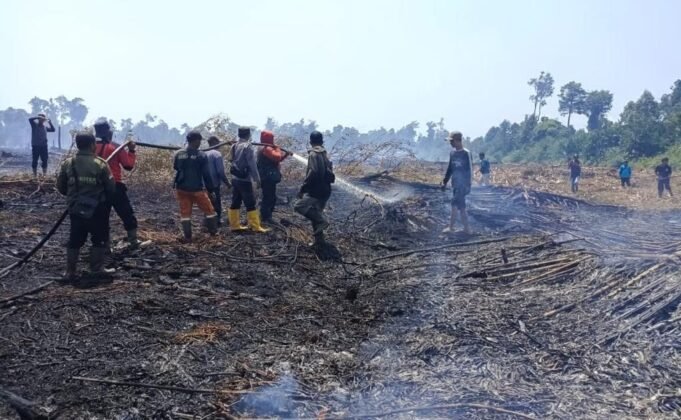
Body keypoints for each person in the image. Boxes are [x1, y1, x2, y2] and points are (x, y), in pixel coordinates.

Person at [56, 131, 116, 284]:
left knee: (75, 239)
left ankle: (70, 271)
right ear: (92, 145)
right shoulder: (100, 164)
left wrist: (75, 197)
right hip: (97, 210)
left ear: (77, 145)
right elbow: (111, 188)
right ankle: (96, 269)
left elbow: (61, 187)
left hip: (75, 208)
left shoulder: (68, 163)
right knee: (99, 238)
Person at [93, 118, 142, 249]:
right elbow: (128, 166)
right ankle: (133, 241)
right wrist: (132, 151)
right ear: (108, 132)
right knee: (127, 214)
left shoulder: (89, 147)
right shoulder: (115, 147)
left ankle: (105, 246)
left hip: (97, 188)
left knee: (102, 218)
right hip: (115, 186)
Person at [173, 130, 219, 242]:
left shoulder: (179, 154)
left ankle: (188, 237)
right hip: (197, 189)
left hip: (181, 188)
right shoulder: (201, 155)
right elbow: (206, 174)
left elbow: (176, 167)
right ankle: (213, 233)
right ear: (196, 141)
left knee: (185, 213)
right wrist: (211, 190)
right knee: (209, 210)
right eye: (199, 141)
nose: (200, 143)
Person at [295, 131, 335, 247]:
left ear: (311, 141)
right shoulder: (324, 153)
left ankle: (322, 222)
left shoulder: (313, 154)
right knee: (316, 213)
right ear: (322, 141)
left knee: (299, 206)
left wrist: (303, 188)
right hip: (326, 189)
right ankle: (319, 241)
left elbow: (313, 172)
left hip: (316, 190)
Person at [229, 127, 269, 233]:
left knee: (235, 202)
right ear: (248, 135)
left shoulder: (234, 145)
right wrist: (257, 179)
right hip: (244, 180)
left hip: (235, 179)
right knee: (251, 203)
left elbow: (231, 160)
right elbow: (252, 165)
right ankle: (255, 226)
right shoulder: (248, 146)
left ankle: (234, 225)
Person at [440, 131, 472, 234]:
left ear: (458, 141)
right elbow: (450, 168)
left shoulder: (466, 153)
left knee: (454, 204)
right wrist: (445, 181)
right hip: (455, 183)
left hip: (463, 185)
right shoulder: (452, 153)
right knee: (462, 207)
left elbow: (470, 170)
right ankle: (467, 229)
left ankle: (451, 227)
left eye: (452, 141)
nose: (451, 143)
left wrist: (468, 185)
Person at [257, 130, 290, 223]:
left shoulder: (267, 148)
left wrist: (286, 155)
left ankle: (267, 216)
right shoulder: (267, 148)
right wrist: (278, 148)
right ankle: (265, 217)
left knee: (271, 197)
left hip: (268, 177)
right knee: (268, 197)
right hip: (267, 178)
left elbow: (276, 160)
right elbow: (277, 157)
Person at [205, 136, 230, 226]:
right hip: (214, 183)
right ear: (214, 143)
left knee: (207, 202)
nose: (219, 144)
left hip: (204, 184)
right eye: (218, 142)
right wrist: (227, 183)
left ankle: (208, 221)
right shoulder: (216, 154)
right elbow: (220, 171)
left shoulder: (204, 153)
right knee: (216, 203)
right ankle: (217, 221)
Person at [28, 113, 55, 179]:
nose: (42, 120)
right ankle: (35, 176)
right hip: (36, 146)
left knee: (45, 160)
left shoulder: (45, 127)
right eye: (40, 119)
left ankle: (44, 175)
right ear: (38, 119)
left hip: (44, 146)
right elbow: (30, 119)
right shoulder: (34, 125)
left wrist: (50, 122)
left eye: (43, 119)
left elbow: (53, 130)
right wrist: (38, 117)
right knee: (35, 160)